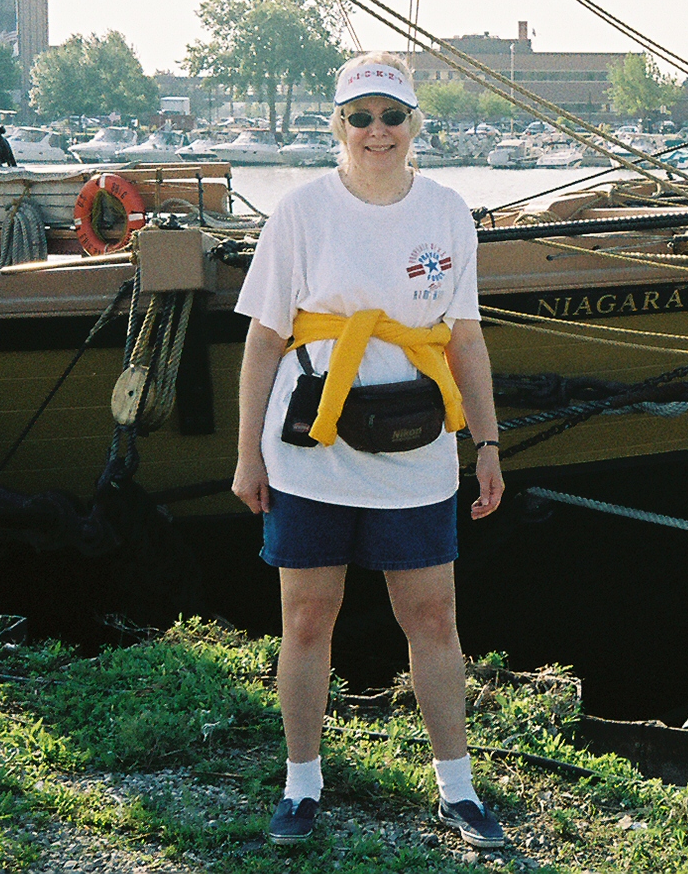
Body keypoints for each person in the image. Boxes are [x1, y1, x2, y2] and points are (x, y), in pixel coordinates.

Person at [231, 51, 506, 850]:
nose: (376, 131)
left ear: (415, 123)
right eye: (361, 117)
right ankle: (302, 783)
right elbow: (262, 340)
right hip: (312, 447)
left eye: (392, 115)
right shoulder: (301, 212)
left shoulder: (450, 211)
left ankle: (457, 785)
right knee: (308, 616)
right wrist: (247, 453)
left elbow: (467, 339)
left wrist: (485, 443)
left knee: (432, 615)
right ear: (338, 126)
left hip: (417, 447)